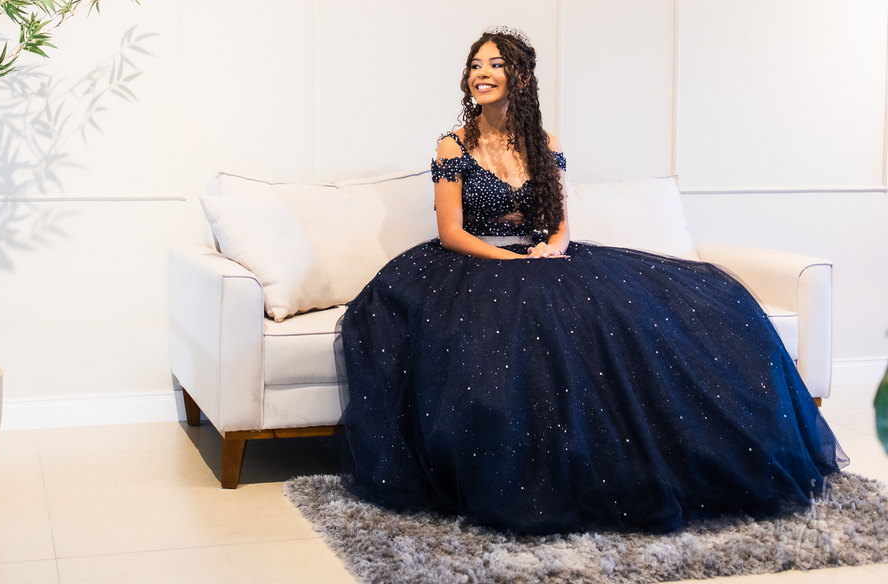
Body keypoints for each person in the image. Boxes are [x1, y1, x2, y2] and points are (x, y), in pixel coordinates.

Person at [336, 26, 847, 535]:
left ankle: (644, 462)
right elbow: (451, 233)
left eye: (494, 65)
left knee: (637, 312)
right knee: (515, 324)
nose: (482, 74)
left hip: (543, 256)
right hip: (476, 262)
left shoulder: (546, 144)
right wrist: (511, 262)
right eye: (475, 66)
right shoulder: (453, 147)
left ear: (520, 77)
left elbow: (560, 223)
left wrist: (551, 249)